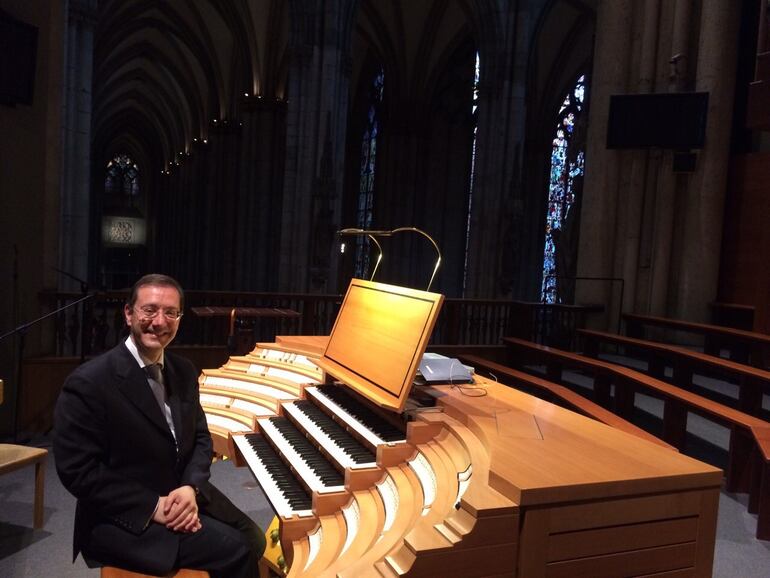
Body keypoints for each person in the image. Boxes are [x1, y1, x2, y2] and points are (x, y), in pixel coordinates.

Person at [54, 274, 265, 577]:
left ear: (180, 318)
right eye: (149, 310)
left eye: (170, 312)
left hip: (182, 490)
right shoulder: (89, 382)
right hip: (122, 514)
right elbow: (78, 471)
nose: (159, 321)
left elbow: (201, 438)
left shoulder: (183, 370)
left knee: (255, 537)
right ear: (129, 314)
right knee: (236, 550)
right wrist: (156, 506)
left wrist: (190, 487)